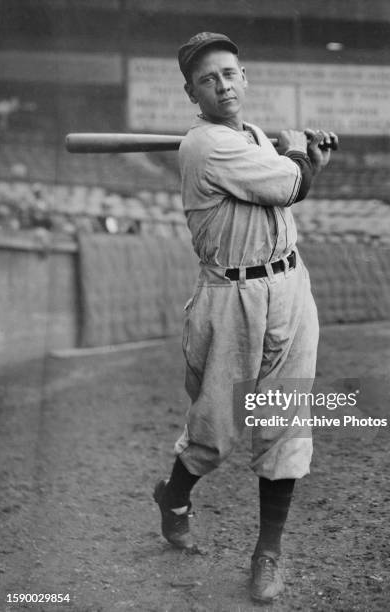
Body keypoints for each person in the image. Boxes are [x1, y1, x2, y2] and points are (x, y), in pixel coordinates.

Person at [153, 31, 337, 604]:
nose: (223, 84)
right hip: (228, 298)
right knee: (215, 432)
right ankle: (174, 495)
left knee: (285, 421)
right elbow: (290, 186)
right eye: (208, 79)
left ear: (244, 77)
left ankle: (267, 555)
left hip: (289, 284)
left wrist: (295, 151)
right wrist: (304, 156)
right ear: (193, 93)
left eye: (229, 73)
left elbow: (285, 175)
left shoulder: (253, 137)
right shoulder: (205, 146)